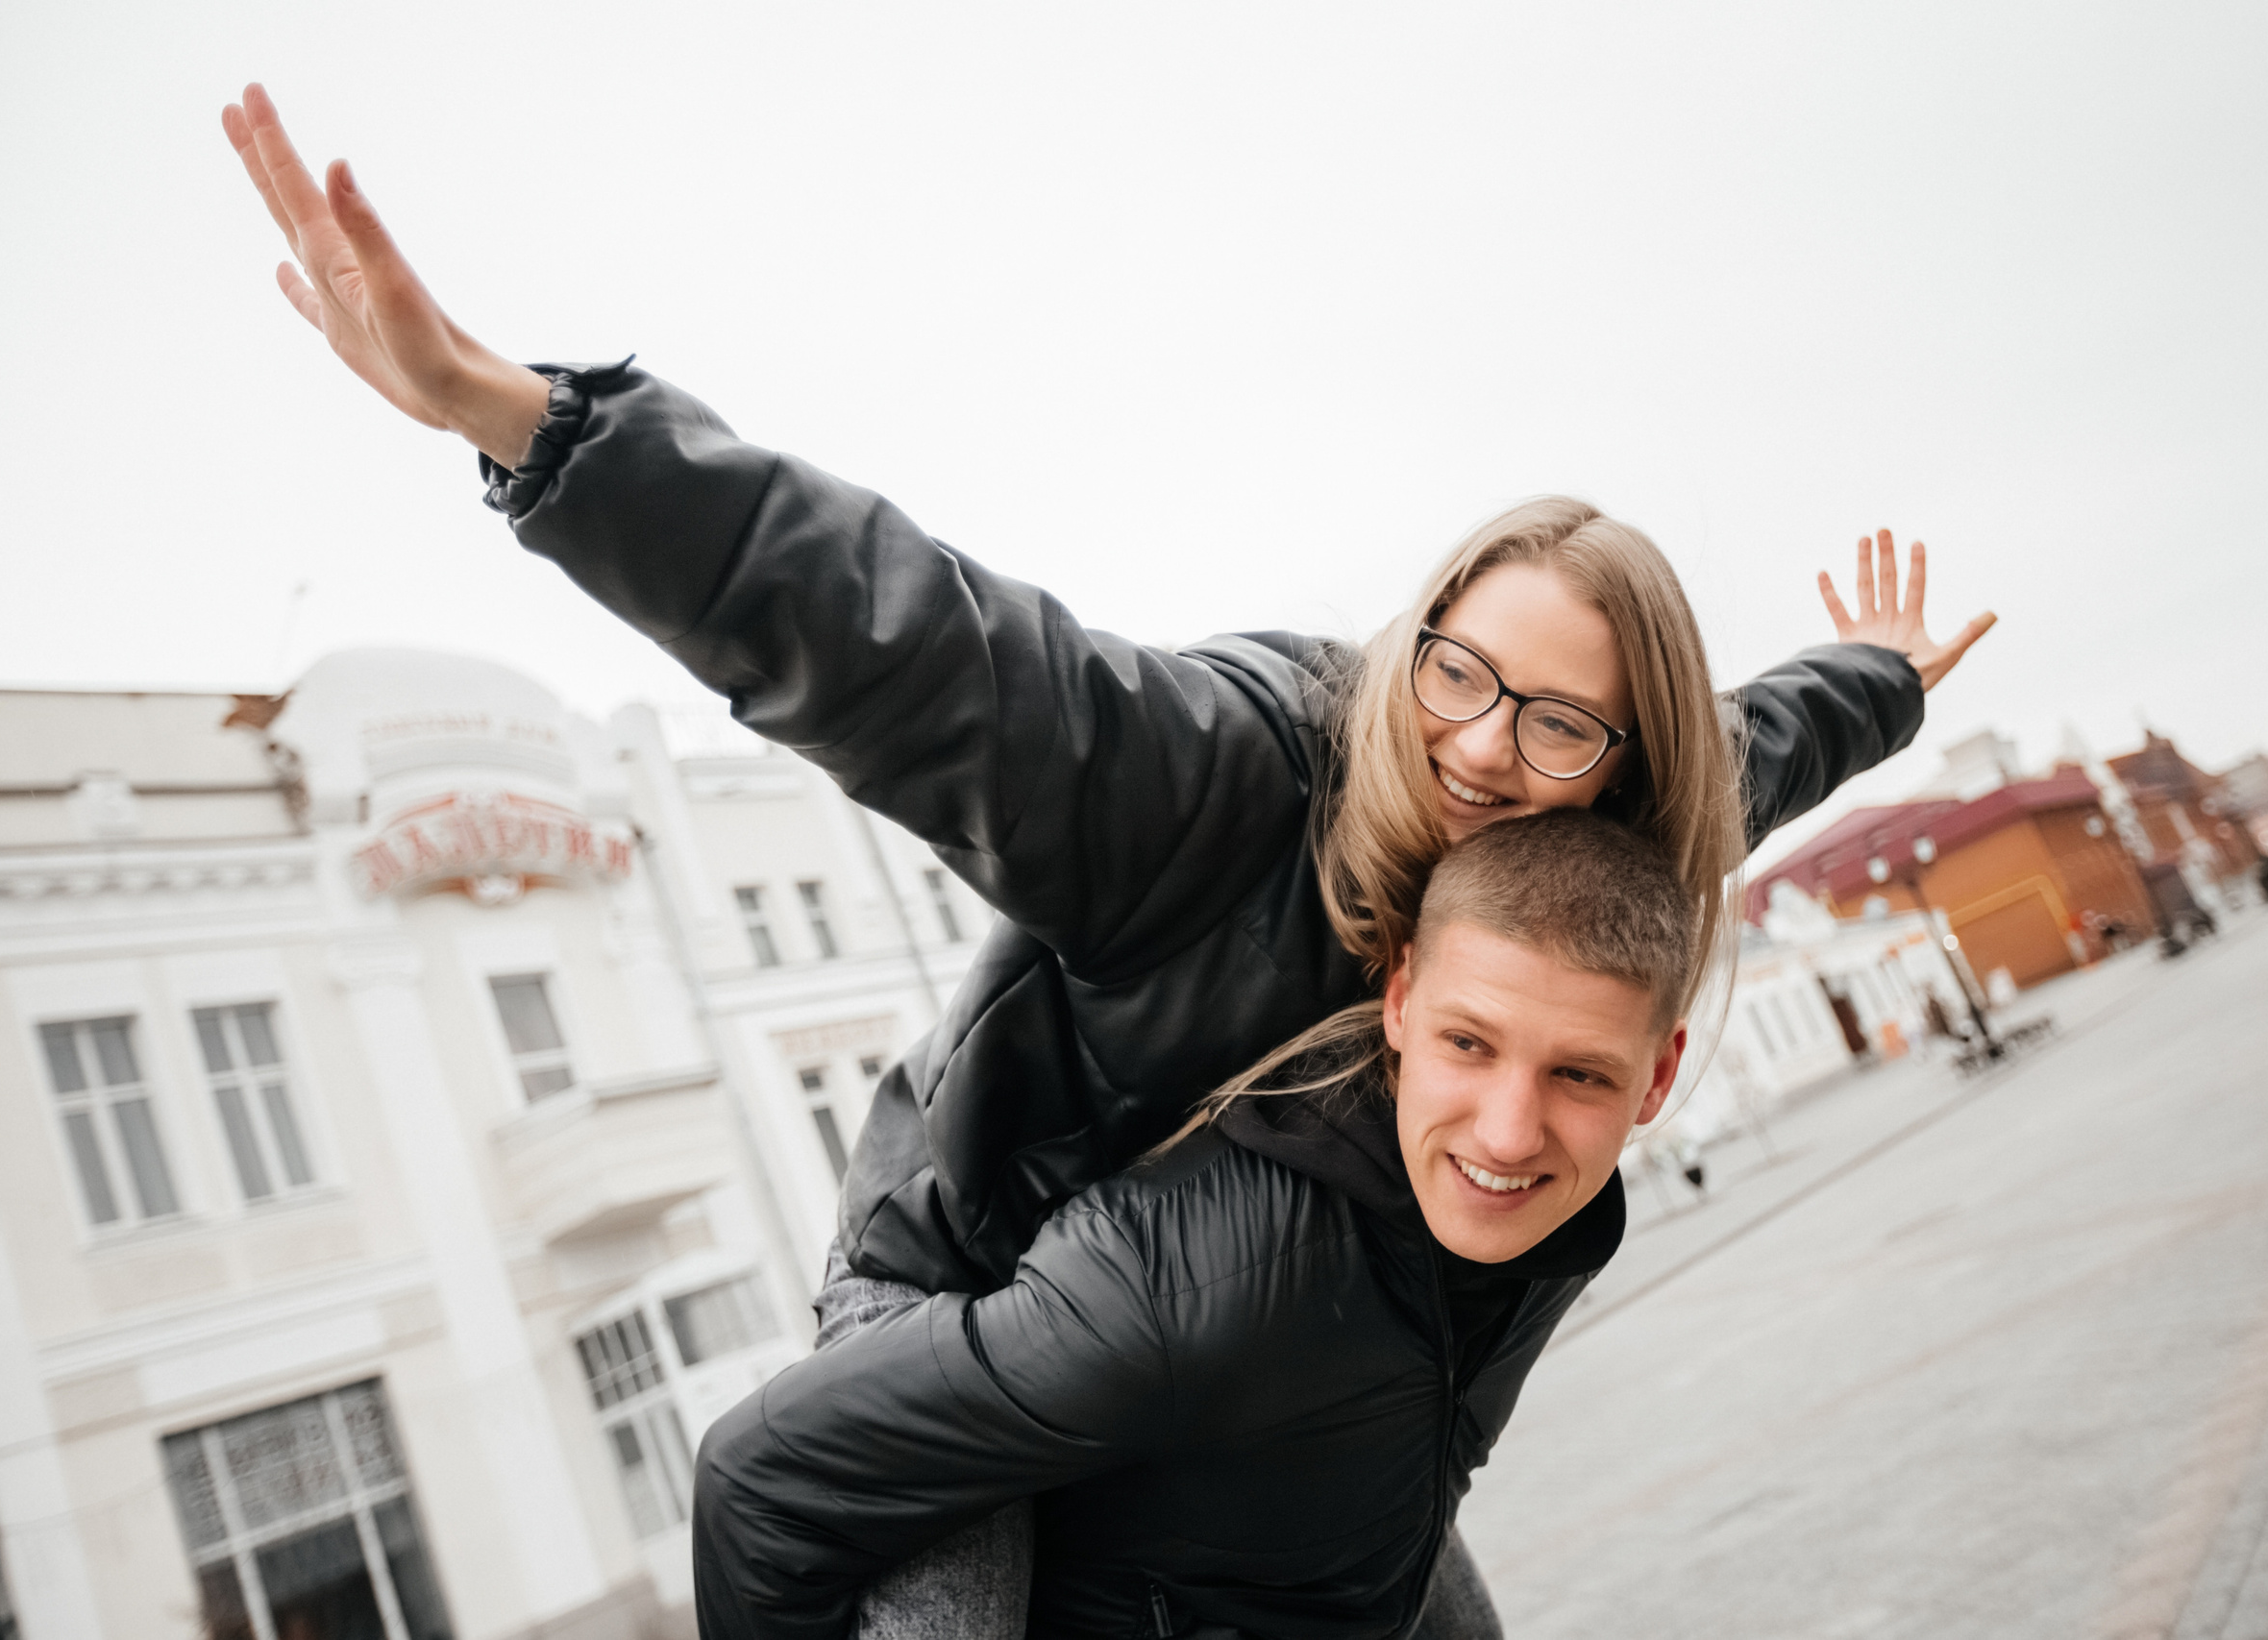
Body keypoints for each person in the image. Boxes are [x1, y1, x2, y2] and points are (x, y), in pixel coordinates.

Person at [220, 84, 1995, 1633]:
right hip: (977, 1291)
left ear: (1617, 763)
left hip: (1255, 1346)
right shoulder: (1223, 774)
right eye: (1459, 671)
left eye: (1555, 722)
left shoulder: (1578, 859)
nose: (1479, 744)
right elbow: (920, 648)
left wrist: (1880, 683)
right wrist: (530, 424)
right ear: (1417, 637)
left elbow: (1748, 756)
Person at [693, 809, 1698, 1640]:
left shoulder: (1544, 1225)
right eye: (1468, 1043)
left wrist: (1863, 684)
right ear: (1398, 1003)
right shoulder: (1180, 1289)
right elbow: (763, 1482)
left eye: (1578, 1073)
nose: (1511, 1133)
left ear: (1654, 1077)